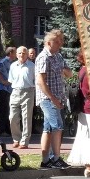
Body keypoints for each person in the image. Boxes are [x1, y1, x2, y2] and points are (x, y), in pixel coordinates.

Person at [35, 29, 71, 169]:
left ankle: (45, 160)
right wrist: (53, 99)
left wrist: (64, 70)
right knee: (58, 126)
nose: (61, 43)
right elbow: (41, 81)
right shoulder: (43, 57)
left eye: (61, 40)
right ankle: (56, 158)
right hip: (47, 98)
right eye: (58, 41)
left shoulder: (58, 56)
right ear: (49, 43)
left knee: (48, 128)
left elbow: (68, 73)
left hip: (58, 97)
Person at [8, 45, 35, 149]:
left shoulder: (32, 66)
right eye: (19, 53)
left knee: (26, 118)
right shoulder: (13, 66)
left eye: (24, 53)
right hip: (15, 92)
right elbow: (11, 80)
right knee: (12, 117)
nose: (21, 55)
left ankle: (24, 141)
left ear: (27, 55)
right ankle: (16, 139)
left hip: (28, 92)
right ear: (16, 54)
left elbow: (36, 80)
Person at [0, 47, 15, 135]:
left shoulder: (11, 62)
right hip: (3, 88)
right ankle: (1, 129)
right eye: (14, 52)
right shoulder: (4, 61)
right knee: (3, 109)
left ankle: (7, 128)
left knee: (7, 109)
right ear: (10, 53)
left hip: (9, 89)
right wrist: (2, 81)